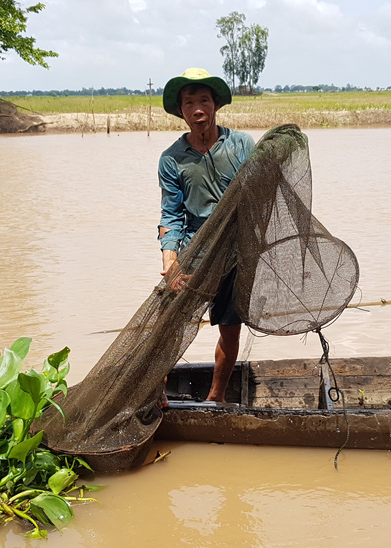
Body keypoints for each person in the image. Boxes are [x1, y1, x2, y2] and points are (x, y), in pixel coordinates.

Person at [158, 68, 256, 402]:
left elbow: (258, 197)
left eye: (204, 100)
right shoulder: (172, 159)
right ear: (181, 110)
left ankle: (216, 396)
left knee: (230, 331)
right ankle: (156, 395)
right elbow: (171, 216)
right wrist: (170, 261)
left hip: (234, 255)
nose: (198, 109)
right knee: (165, 327)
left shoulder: (241, 144)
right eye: (189, 103)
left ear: (215, 105)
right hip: (193, 255)